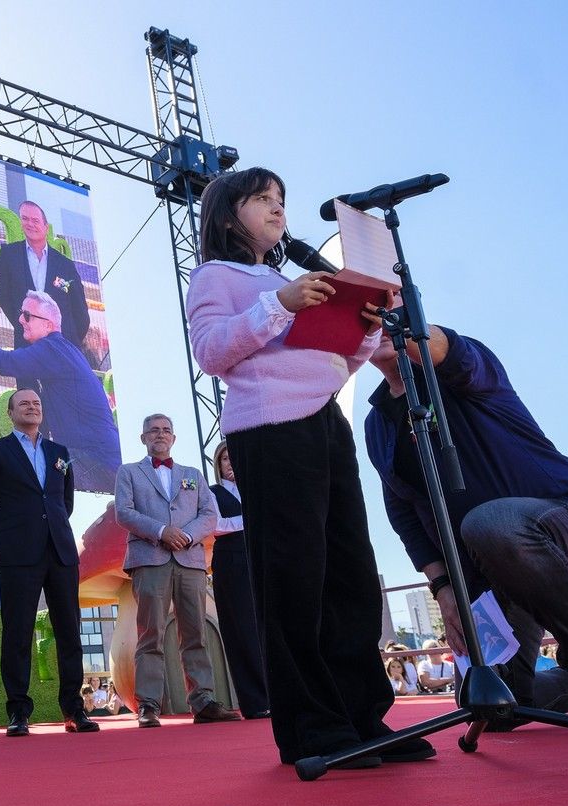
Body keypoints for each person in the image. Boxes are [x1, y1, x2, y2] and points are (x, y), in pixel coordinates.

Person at [186, 167, 432, 768]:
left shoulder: (285, 277)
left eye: (281, 200)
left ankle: (362, 716)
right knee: (294, 578)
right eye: (262, 199)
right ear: (225, 215)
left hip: (325, 423)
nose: (277, 209)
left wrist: (360, 329)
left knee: (349, 571)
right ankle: (310, 728)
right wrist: (281, 303)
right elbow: (212, 350)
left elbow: (331, 362)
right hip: (270, 428)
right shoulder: (216, 276)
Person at [364, 322, 568, 722]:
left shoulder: (461, 366)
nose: (375, 325)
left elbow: (455, 354)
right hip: (485, 572)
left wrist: (399, 318)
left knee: (489, 523)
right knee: (492, 705)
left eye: (384, 312)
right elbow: (405, 516)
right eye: (366, 322)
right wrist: (445, 590)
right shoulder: (377, 424)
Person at [0, 388, 99, 736]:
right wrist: (7, 541)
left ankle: (74, 710)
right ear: (10, 411)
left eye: (37, 403)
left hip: (60, 552)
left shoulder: (59, 452)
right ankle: (18, 712)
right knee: (18, 632)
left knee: (69, 633)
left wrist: (52, 530)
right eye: (24, 403)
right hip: (18, 555)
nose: (32, 407)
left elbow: (65, 502)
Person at [0, 291, 121, 492]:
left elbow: (5, 362)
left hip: (95, 462)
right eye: (20, 313)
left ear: (48, 325)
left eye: (27, 315)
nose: (20, 319)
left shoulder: (52, 350)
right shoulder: (61, 349)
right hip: (89, 458)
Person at [114, 414, 240, 727]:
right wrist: (160, 531)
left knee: (196, 632)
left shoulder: (193, 475)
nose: (160, 435)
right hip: (150, 559)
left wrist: (186, 535)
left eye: (166, 430)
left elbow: (209, 515)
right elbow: (124, 512)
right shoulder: (129, 472)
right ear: (143, 437)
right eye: (153, 430)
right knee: (150, 633)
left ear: (174, 437)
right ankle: (149, 705)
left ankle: (204, 700)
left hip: (190, 561)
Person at [209, 440, 270, 719]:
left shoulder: (257, 488)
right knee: (242, 631)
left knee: (268, 628)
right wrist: (253, 519)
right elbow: (216, 526)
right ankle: (256, 701)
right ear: (218, 465)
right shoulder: (213, 492)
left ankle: (278, 695)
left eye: (235, 457)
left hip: (262, 559)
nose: (231, 463)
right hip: (232, 563)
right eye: (225, 459)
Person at [0, 201, 91, 362]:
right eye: (25, 219)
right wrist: (27, 325)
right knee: (28, 388)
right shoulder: (8, 255)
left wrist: (66, 339)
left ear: (46, 227)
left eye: (35, 220)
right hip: (26, 349)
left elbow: (80, 312)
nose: (30, 224)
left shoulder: (65, 264)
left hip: (63, 350)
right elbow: (4, 298)